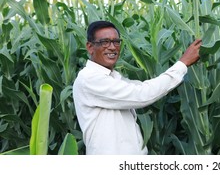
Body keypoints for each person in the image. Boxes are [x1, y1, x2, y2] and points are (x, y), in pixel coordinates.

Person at [72, 20, 202, 155]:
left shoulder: (114, 78)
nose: (112, 47)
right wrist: (183, 63)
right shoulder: (89, 79)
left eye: (116, 41)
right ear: (90, 47)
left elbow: (144, 87)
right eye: (104, 42)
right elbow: (142, 94)